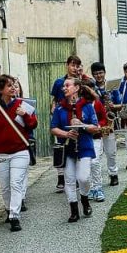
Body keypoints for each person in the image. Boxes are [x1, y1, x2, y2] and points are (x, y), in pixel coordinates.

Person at [0, 75, 37, 232]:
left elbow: (33, 125)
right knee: (5, 187)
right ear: (0, 90)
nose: (13, 88)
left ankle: (14, 215)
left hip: (20, 151)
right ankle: (8, 209)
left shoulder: (22, 105)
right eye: (9, 86)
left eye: (14, 85)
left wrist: (25, 115)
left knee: (16, 183)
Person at [51, 77, 99, 223]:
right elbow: (53, 128)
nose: (64, 88)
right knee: (69, 179)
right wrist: (66, 134)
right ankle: (73, 210)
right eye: (63, 86)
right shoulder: (60, 108)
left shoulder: (87, 106)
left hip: (84, 146)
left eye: (67, 85)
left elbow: (95, 127)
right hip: (67, 148)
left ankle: (84, 198)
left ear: (77, 88)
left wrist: (82, 124)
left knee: (83, 178)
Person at [50, 55, 84, 193]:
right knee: (61, 146)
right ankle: (60, 176)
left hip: (76, 115)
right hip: (62, 115)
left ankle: (76, 176)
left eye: (77, 66)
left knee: (76, 145)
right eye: (72, 65)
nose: (75, 68)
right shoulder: (59, 82)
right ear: (67, 65)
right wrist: (53, 108)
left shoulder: (82, 81)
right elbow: (53, 99)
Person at [90, 63, 119, 191]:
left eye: (101, 73)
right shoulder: (91, 88)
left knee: (111, 152)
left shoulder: (112, 87)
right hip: (96, 123)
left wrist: (112, 105)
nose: (99, 76)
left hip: (109, 122)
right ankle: (96, 180)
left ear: (105, 72)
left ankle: (113, 173)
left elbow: (120, 104)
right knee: (97, 154)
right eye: (96, 74)